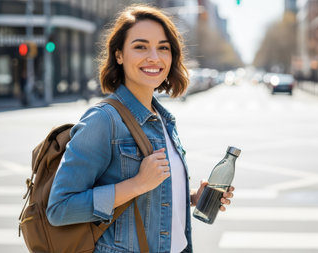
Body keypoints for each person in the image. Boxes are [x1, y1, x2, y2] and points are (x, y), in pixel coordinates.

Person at [46, 5, 234, 253]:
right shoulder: (103, 120)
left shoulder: (162, 119)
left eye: (163, 48)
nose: (154, 57)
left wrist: (191, 198)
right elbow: (59, 208)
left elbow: (152, 195)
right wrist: (136, 185)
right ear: (119, 55)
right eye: (140, 46)